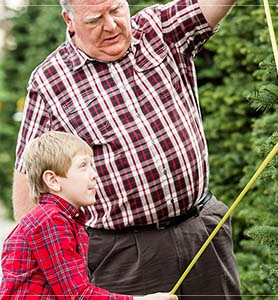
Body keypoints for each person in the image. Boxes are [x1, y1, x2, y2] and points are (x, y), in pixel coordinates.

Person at [13, 0, 241, 299]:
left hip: (201, 228)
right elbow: (29, 185)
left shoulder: (158, 29)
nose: (111, 25)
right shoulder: (50, 81)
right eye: (95, 20)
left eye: (117, 10)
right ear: (69, 20)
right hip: (122, 252)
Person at [0, 131, 177, 300]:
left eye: (92, 165)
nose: (94, 175)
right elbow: (78, 295)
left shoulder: (64, 220)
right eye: (83, 166)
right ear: (53, 180)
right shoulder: (50, 221)